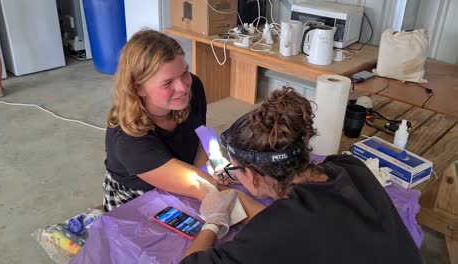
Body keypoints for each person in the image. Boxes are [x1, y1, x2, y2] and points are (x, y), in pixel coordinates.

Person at [182, 87, 422, 263]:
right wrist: (239, 177)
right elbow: (308, 224)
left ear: (254, 176)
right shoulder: (349, 166)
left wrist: (214, 221)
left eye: (236, 169)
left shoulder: (275, 231)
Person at [103, 30, 217, 211]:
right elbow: (200, 187)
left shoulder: (192, 86)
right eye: (167, 83)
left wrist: (213, 166)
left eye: (185, 72)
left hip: (183, 171)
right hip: (137, 199)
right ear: (138, 88)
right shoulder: (128, 139)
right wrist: (209, 181)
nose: (183, 87)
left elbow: (201, 134)